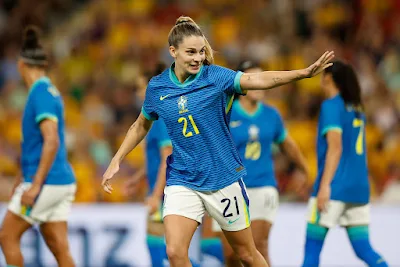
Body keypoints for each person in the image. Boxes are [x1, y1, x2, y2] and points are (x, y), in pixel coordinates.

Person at [102, 15, 334, 267]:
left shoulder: (215, 77)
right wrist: (117, 159)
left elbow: (258, 80)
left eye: (201, 52)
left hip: (221, 179)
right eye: (190, 52)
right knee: (174, 251)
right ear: (173, 51)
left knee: (246, 254)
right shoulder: (157, 88)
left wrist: (302, 73)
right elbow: (140, 125)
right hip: (183, 179)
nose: (198, 58)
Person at [211, 60, 309, 267]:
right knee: (231, 255)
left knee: (257, 247)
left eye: (259, 78)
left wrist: (305, 170)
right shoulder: (226, 111)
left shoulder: (272, 115)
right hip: (230, 188)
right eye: (251, 78)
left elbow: (288, 145)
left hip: (263, 186)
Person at [0, 26, 76, 267]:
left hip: (47, 181)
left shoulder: (39, 93)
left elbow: (51, 140)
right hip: (62, 181)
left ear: (21, 64)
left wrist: (34, 184)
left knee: (7, 236)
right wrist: (21, 176)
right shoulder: (51, 92)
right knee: (59, 247)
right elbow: (39, 144)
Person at [302, 60, 388, 267]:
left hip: (334, 187)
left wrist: (324, 186)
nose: (320, 81)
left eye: (322, 76)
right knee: (364, 249)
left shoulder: (331, 106)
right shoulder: (357, 108)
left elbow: (336, 147)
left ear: (329, 78)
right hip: (358, 189)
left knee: (312, 251)